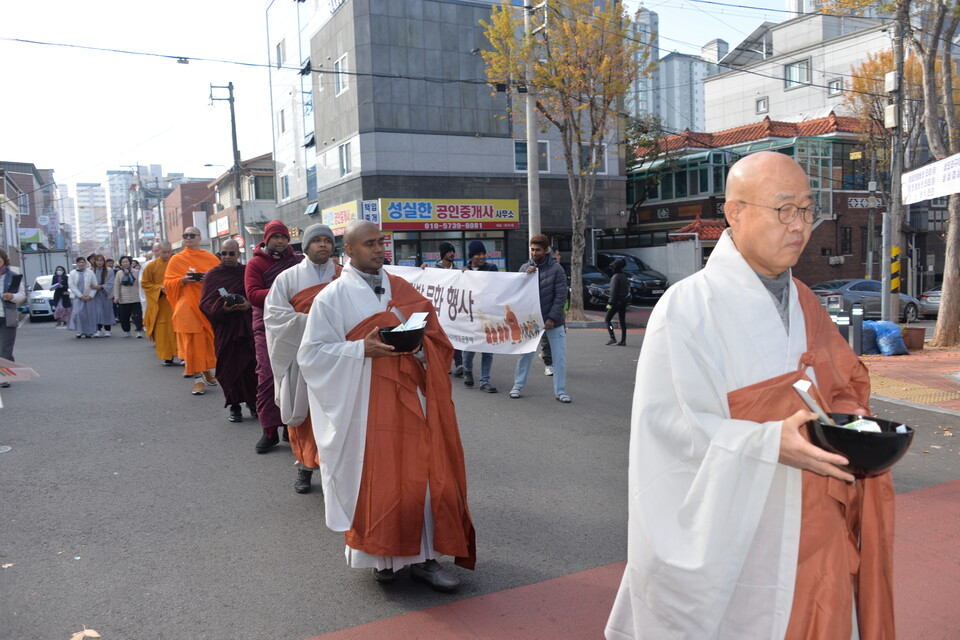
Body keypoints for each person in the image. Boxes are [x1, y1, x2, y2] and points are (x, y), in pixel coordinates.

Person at [605, 152, 895, 639]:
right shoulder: (688, 306)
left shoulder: (807, 300)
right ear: (734, 212)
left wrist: (852, 424)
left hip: (818, 518)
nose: (799, 225)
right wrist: (765, 443)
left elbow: (844, 385)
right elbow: (674, 431)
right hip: (739, 533)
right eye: (784, 209)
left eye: (807, 209)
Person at [298, 220, 475, 591]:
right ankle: (382, 558)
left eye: (381, 242)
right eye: (369, 244)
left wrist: (420, 345)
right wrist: (359, 349)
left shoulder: (402, 287)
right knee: (378, 480)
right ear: (348, 250)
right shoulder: (332, 298)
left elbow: (437, 338)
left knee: (422, 478)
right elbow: (311, 356)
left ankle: (427, 558)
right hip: (362, 406)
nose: (379, 249)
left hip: (411, 398)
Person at [264, 223, 341, 493]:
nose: (323, 245)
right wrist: (314, 322)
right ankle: (305, 469)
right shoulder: (287, 278)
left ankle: (338, 474)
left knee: (337, 417)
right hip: (301, 357)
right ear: (306, 246)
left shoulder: (346, 276)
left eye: (327, 241)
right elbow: (274, 315)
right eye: (316, 240)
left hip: (338, 359)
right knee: (305, 417)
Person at [245, 220, 303, 453]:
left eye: (283, 237)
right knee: (268, 377)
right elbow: (253, 295)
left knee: (294, 377)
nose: (280, 241)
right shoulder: (255, 264)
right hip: (266, 326)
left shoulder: (299, 261)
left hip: (296, 324)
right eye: (275, 237)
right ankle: (269, 429)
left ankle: (292, 428)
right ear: (266, 239)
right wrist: (286, 289)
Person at [200, 239, 258, 423]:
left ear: (238, 254)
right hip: (226, 329)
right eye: (223, 253)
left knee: (250, 367)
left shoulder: (246, 272)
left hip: (246, 327)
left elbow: (255, 293)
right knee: (228, 367)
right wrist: (223, 309)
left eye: (231, 253)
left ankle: (253, 403)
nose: (226, 257)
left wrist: (248, 304)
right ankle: (234, 406)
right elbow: (205, 303)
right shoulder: (212, 275)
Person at [510, 234, 570, 403]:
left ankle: (561, 391)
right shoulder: (525, 267)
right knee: (525, 354)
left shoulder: (557, 269)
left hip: (554, 322)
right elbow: (516, 289)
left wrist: (552, 317)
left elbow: (560, 296)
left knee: (559, 357)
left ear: (546, 250)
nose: (534, 253)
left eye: (537, 250)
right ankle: (517, 386)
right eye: (532, 249)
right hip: (531, 322)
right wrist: (525, 275)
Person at [164, 227, 220, 396]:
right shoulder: (177, 259)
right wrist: (182, 280)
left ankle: (206, 370)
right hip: (186, 305)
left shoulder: (210, 258)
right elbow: (167, 283)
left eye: (191, 235)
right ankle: (198, 379)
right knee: (191, 341)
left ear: (199, 237)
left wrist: (207, 278)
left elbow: (220, 278)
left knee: (207, 340)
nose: (188, 238)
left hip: (206, 304)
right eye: (185, 235)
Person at [422, 241, 464, 377]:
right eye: (449, 252)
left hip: (453, 309)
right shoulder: (434, 270)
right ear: (443, 254)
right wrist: (422, 271)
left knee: (455, 336)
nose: (452, 254)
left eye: (453, 252)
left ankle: (459, 364)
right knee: (440, 339)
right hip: (439, 310)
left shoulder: (458, 270)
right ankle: (443, 364)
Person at [461, 240, 498, 393]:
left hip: (488, 315)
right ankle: (467, 370)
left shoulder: (491, 268)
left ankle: (484, 380)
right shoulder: (464, 271)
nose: (482, 257)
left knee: (487, 350)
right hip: (470, 316)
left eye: (483, 253)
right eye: (478, 254)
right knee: (469, 347)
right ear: (471, 256)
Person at [141, 242, 179, 366]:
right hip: (160, 304)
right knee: (163, 330)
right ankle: (167, 356)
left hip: (175, 301)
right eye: (164, 252)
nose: (167, 255)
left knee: (178, 329)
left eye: (169, 252)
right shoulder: (151, 266)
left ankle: (182, 355)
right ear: (158, 251)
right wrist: (159, 289)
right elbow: (145, 283)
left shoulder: (177, 264)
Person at [0, 248, 26, 387]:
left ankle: (4, 377)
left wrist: (12, 297)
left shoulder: (13, 276)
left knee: (5, 349)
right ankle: (10, 369)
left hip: (7, 317)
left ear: (4, 259)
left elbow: (22, 295)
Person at [112, 256, 144, 338]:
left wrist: (142, 295)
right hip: (123, 298)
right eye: (123, 262)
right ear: (121, 263)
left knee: (138, 315)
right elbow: (116, 286)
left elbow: (141, 284)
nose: (125, 263)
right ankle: (127, 331)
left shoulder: (136, 272)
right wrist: (116, 296)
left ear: (130, 262)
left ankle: (138, 331)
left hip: (136, 297)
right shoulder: (119, 273)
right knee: (124, 317)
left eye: (126, 261)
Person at [67, 256, 98, 339]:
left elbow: (95, 285)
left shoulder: (90, 273)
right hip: (77, 297)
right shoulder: (73, 273)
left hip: (88, 297)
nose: (81, 264)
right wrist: (80, 296)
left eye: (83, 262)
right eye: (79, 262)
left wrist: (91, 296)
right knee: (78, 314)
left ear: (85, 263)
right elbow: (71, 286)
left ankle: (88, 331)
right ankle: (79, 331)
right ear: (77, 263)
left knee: (88, 315)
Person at [88, 254, 115, 337]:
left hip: (105, 293)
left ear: (104, 261)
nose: (99, 262)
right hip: (95, 294)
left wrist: (101, 286)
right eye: (97, 260)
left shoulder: (109, 270)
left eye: (101, 260)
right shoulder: (91, 271)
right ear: (94, 261)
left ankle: (107, 329)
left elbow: (111, 282)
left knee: (107, 311)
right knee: (97, 312)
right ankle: (98, 329)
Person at [604, 258, 629, 346]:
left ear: (615, 268)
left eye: (612, 267)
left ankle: (612, 338)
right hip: (624, 301)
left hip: (615, 302)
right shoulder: (624, 276)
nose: (611, 269)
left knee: (607, 320)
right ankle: (623, 340)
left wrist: (609, 303)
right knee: (622, 321)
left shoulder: (615, 277)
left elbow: (613, 292)